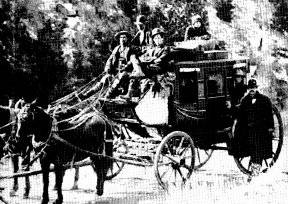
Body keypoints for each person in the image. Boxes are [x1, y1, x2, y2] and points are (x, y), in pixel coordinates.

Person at [233, 79, 274, 181]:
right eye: (250, 88)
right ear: (248, 89)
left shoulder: (264, 100)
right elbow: (240, 117)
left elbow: (269, 115)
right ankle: (254, 171)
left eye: (254, 88)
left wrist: (270, 128)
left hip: (261, 131)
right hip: (248, 131)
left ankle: (255, 172)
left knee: (258, 149)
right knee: (250, 148)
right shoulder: (245, 101)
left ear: (256, 88)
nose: (252, 90)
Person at [120, 27, 171, 100]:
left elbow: (160, 60)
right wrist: (148, 59)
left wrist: (149, 60)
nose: (157, 40)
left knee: (138, 68)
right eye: (155, 38)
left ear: (163, 38)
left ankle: (138, 73)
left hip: (159, 69)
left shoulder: (166, 49)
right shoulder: (152, 49)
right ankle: (129, 93)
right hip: (150, 68)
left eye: (159, 38)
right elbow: (142, 57)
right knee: (133, 59)